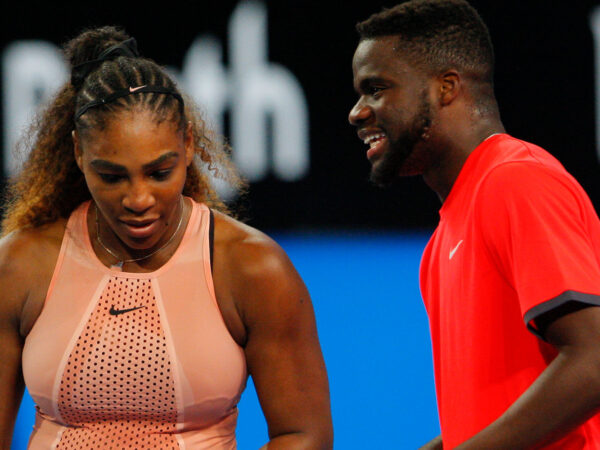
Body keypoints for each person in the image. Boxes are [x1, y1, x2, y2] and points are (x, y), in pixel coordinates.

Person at [0, 26, 333, 449]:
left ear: (189, 145)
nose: (138, 199)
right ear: (79, 155)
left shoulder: (253, 268)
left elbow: (304, 436)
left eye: (159, 173)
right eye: (112, 176)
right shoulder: (18, 264)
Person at [349, 0, 600, 448]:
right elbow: (495, 413)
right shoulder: (441, 242)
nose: (357, 112)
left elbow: (594, 360)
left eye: (376, 89)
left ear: (446, 88)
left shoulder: (516, 181)